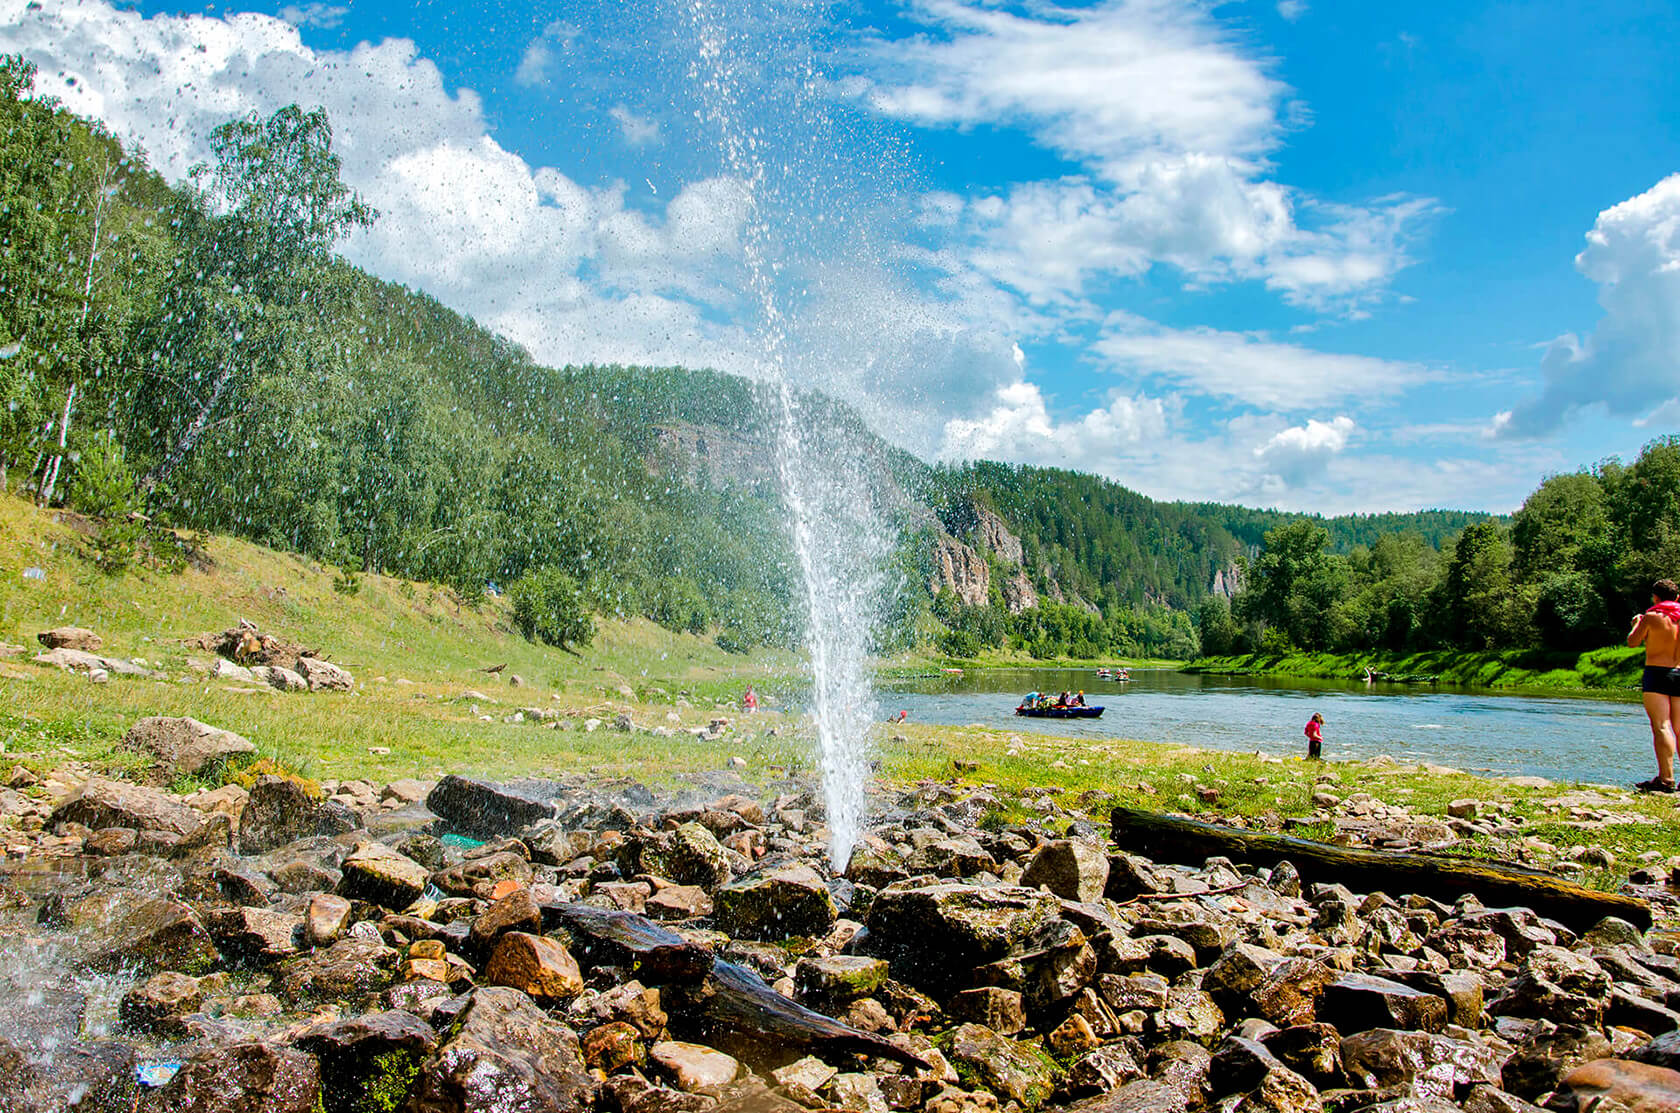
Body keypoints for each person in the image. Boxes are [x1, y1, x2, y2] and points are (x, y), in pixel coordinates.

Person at [1628, 579, 1680, 792]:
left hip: (1657, 673)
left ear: (1655, 597)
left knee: (1661, 726)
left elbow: (1633, 642)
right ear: (1676, 597)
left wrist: (1636, 624)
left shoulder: (1651, 617)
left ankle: (1666, 779)